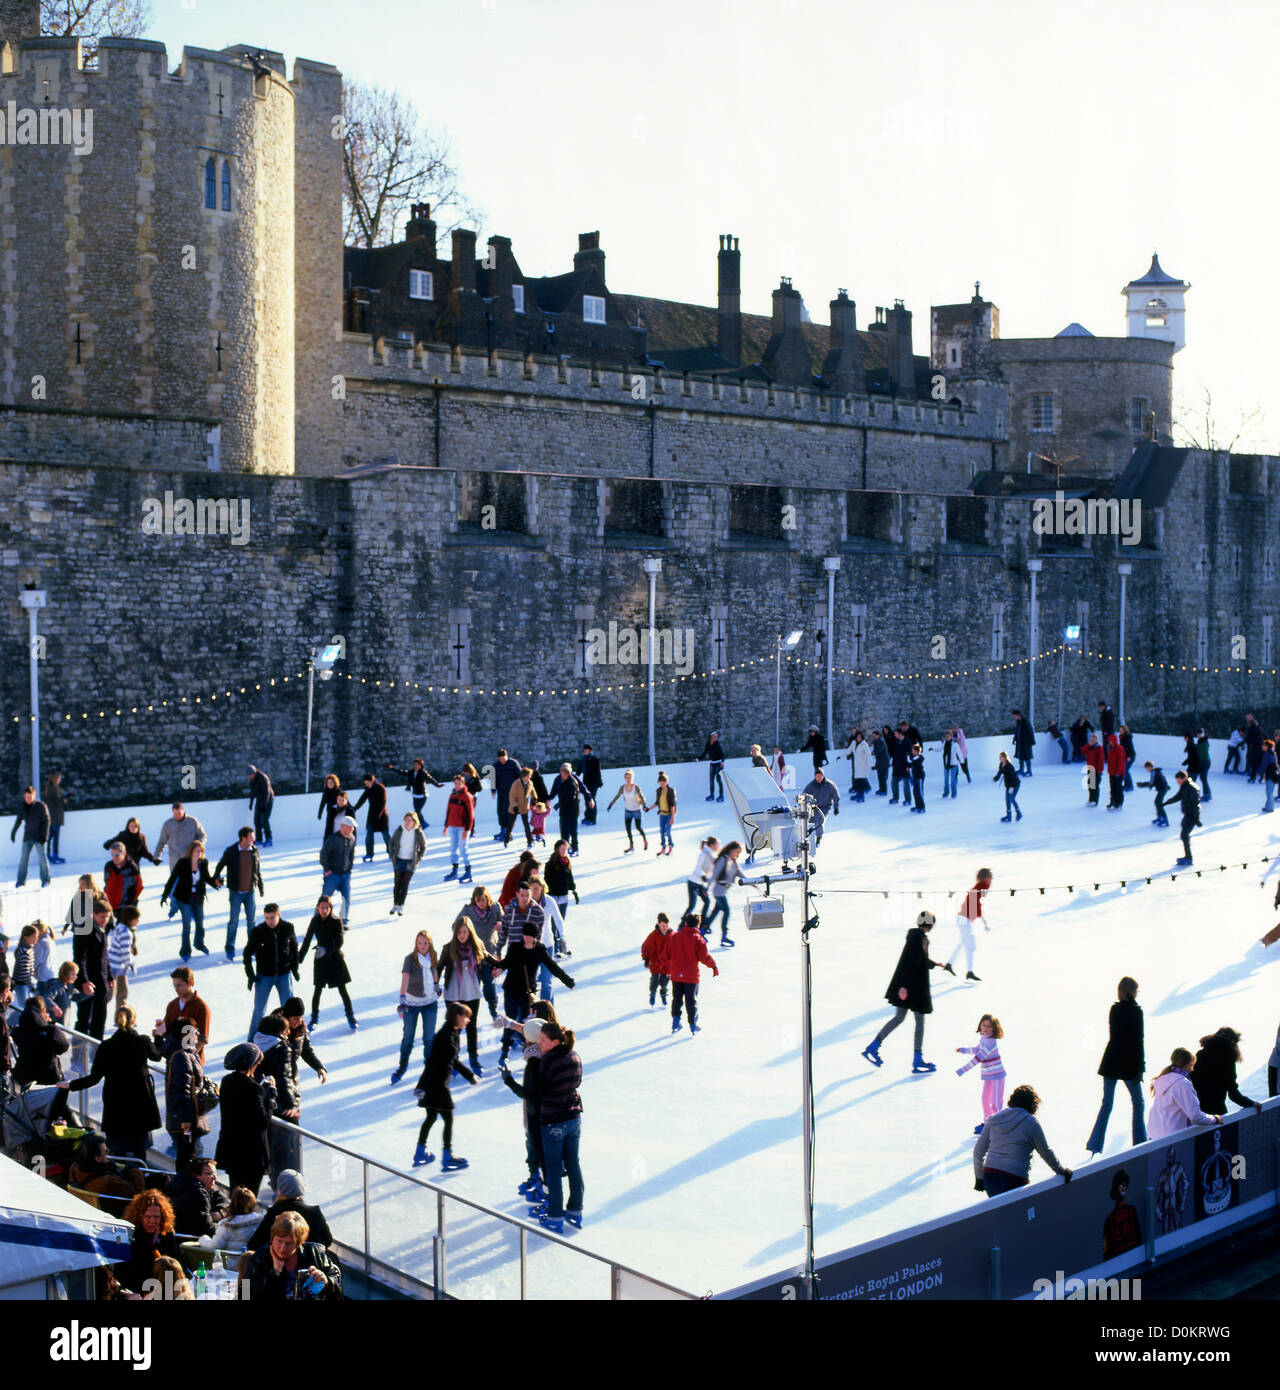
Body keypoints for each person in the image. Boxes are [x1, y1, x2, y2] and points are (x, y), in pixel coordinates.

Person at [59, 1004, 162, 1159]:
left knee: (116, 1152)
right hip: (140, 1106)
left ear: (116, 1021)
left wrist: (70, 1085)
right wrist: (159, 1036)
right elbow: (157, 1056)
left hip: (116, 1106)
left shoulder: (106, 1046)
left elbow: (94, 1078)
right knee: (140, 1153)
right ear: (133, 1021)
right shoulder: (143, 1041)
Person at [862, 910, 942, 1074]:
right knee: (918, 1022)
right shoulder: (919, 938)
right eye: (933, 922)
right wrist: (904, 986)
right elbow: (911, 961)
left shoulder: (917, 937)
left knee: (899, 1018)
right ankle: (917, 1059)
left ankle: (873, 1047)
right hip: (913, 988)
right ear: (929, 923)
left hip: (909, 986)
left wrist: (937, 965)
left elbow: (919, 960)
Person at [254, 1001, 327, 1181]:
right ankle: (282, 1178)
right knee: (284, 1138)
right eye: (295, 1018)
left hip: (289, 1087)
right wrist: (291, 1104)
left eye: (301, 1018)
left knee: (288, 1138)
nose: (299, 1021)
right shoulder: (274, 1031)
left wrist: (319, 1067)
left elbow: (306, 1049)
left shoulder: (300, 1029)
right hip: (277, 1091)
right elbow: (281, 1077)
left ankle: (288, 1177)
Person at [493, 924, 575, 1064]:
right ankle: (505, 1050)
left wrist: (567, 980)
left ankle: (528, 1048)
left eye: (530, 935)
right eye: (525, 935)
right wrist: (492, 963)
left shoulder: (540, 950)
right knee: (511, 1019)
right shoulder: (515, 948)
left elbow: (552, 966)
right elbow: (505, 963)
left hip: (527, 993)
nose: (527, 938)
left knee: (528, 1022)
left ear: (535, 936)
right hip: (511, 991)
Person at [973, 1085, 1072, 1197]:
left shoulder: (994, 1119)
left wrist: (979, 1178)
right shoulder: (1031, 1122)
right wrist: (1061, 1171)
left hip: (990, 1176)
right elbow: (1045, 1152)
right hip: (1014, 1178)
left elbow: (978, 1152)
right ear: (1033, 1105)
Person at [412, 1003, 478, 1170]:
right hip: (437, 1084)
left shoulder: (452, 1033)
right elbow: (435, 1061)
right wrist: (422, 1085)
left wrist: (469, 1075)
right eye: (466, 1017)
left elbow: (451, 1059)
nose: (468, 1020)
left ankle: (420, 1152)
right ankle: (447, 1157)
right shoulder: (446, 1035)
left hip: (435, 1083)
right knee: (448, 1119)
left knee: (431, 1117)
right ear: (457, 1017)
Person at [1085, 977, 1146, 1157]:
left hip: (1111, 1061)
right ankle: (1140, 1142)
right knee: (1138, 1103)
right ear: (1132, 991)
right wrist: (1140, 1067)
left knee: (1107, 1104)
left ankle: (1095, 1145)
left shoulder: (1115, 1009)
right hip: (1128, 1063)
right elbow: (1137, 1041)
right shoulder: (1136, 1012)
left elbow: (1115, 1036)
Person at [536, 1020, 584, 1234]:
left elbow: (542, 1090)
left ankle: (555, 1217)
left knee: (554, 1169)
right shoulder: (574, 1056)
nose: (539, 1043)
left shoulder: (548, 1060)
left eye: (543, 1040)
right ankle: (575, 1211)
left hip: (553, 1120)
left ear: (555, 1042)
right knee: (573, 1165)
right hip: (573, 1117)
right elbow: (577, 1083)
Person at [216, 1042, 276, 1198]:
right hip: (251, 1154)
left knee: (235, 1193)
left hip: (232, 1149)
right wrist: (269, 1098)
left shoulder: (227, 1081)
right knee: (249, 1198)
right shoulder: (252, 1088)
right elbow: (262, 1121)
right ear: (252, 1064)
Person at [242, 1211, 341, 1300]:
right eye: (279, 1241)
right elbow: (244, 1294)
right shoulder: (258, 1258)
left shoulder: (315, 1254)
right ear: (272, 1238)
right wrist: (273, 1273)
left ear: (299, 1243)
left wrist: (326, 1281)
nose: (282, 1248)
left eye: (289, 1243)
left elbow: (336, 1277)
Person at [299, 895, 357, 1031]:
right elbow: (307, 940)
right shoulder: (314, 921)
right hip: (321, 961)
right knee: (317, 990)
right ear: (317, 908)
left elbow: (340, 942)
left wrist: (326, 950)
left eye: (327, 908)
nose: (324, 910)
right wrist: (299, 959)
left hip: (335, 960)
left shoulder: (336, 921)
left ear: (330, 908)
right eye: (322, 908)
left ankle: (351, 1017)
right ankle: (314, 1018)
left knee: (343, 990)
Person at [441, 916, 490, 1073]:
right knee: (454, 1029)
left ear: (470, 932)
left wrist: (500, 966)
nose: (462, 935)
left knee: (471, 1027)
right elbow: (438, 967)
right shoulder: (448, 948)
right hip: (453, 994)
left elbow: (490, 961)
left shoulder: (477, 947)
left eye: (464, 932)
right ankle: (454, 1061)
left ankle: (474, 1059)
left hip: (472, 993)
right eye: (459, 932)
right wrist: (434, 985)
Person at [243, 903, 300, 1039]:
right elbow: (247, 954)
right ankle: (252, 1040)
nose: (269, 921)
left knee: (289, 1010)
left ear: (278, 916)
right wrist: (250, 975)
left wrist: (295, 968)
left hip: (284, 975)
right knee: (259, 1011)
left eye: (272, 918)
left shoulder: (287, 928)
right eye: (267, 918)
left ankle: (291, 1037)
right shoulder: (258, 931)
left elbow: (294, 949)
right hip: (264, 976)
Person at [113, 1191, 185, 1297]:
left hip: (166, 1286)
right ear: (139, 1216)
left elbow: (177, 1260)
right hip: (138, 1289)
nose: (152, 1221)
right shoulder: (129, 1235)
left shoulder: (167, 1232)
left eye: (156, 1217)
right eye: (147, 1216)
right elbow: (124, 1273)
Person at [392, 929, 440, 1084]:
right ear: (416, 944)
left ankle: (430, 1069)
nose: (422, 946)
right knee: (408, 1037)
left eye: (425, 943)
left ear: (430, 944)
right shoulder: (410, 959)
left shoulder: (433, 956)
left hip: (430, 1002)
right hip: (412, 1003)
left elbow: (434, 972)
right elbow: (405, 979)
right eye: (420, 943)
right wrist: (402, 999)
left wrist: (436, 985)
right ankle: (402, 1067)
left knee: (429, 1038)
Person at [659, 912, 718, 1034]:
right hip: (691, 977)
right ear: (698, 925)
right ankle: (693, 1025)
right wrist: (714, 966)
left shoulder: (674, 937)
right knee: (691, 1000)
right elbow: (704, 957)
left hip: (676, 975)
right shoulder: (698, 939)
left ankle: (675, 1022)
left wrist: (659, 961)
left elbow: (665, 954)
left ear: (685, 923)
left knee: (677, 999)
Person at [246, 1170, 334, 1250]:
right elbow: (327, 1241)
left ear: (279, 1190)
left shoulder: (274, 1213)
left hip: (281, 1265)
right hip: (310, 1265)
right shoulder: (314, 1213)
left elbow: (254, 1244)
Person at [212, 826, 265, 961]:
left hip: (250, 892)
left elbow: (257, 871)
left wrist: (260, 887)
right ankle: (230, 949)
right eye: (251, 837)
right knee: (233, 922)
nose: (254, 839)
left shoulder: (254, 851)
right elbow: (220, 865)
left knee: (251, 923)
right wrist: (216, 877)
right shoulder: (231, 851)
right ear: (243, 838)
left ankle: (253, 948)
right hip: (235, 892)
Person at [160, 840, 219, 959]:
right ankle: (185, 951)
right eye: (197, 851)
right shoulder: (183, 862)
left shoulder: (203, 863)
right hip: (184, 899)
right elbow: (172, 879)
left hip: (197, 898)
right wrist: (165, 896)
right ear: (191, 851)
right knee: (187, 926)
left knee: (200, 924)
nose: (200, 853)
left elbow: (207, 878)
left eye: (201, 851)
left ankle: (199, 944)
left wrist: (216, 883)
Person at [164, 1019, 210, 1170]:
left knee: (190, 1157)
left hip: (189, 1117)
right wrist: (186, 1120)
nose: (198, 1034)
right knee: (188, 1160)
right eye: (194, 1031)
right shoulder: (182, 1057)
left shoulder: (188, 1054)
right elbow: (182, 1091)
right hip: (186, 1121)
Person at [1147, 1048, 1221, 1139]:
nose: (1192, 1070)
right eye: (1192, 1065)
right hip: (1173, 1137)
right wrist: (1215, 1119)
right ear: (1189, 1064)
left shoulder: (1161, 1079)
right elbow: (1195, 1116)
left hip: (1154, 1134)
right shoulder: (1182, 1084)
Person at [1191, 1027, 1262, 1119]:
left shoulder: (1200, 1055)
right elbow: (1233, 1094)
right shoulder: (1227, 1060)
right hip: (1215, 1112)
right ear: (1233, 1043)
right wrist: (1252, 1103)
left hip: (1194, 1112)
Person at [456, 886, 503, 1024]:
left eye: (483, 900)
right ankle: (468, 1014)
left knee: (489, 984)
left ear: (488, 898)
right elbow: (455, 925)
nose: (481, 903)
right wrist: (465, 934)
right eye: (478, 900)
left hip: (490, 953)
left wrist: (501, 924)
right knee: (472, 987)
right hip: (473, 955)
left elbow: (505, 925)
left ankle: (493, 1010)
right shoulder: (468, 910)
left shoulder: (495, 908)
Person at [956, 1014, 1006, 1136]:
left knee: (996, 1103)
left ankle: (1000, 1126)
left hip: (998, 1076)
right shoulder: (984, 1038)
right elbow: (977, 1049)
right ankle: (988, 1123)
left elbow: (978, 1057)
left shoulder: (991, 1042)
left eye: (989, 1027)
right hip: (988, 1075)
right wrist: (963, 1050)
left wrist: (963, 1069)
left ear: (994, 1029)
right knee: (985, 1100)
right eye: (983, 1025)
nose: (985, 1028)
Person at [73, 897, 112, 1040]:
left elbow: (104, 955)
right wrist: (84, 981)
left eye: (107, 917)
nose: (105, 920)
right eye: (102, 917)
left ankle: (96, 1052)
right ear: (93, 914)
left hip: (101, 981)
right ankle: (78, 1056)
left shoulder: (102, 928)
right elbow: (79, 958)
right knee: (83, 1019)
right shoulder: (84, 929)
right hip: (88, 982)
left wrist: (110, 976)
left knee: (100, 1018)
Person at [156, 966, 212, 1063]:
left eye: (179, 986)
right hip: (172, 1060)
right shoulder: (172, 1005)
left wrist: (188, 1056)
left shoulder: (202, 1007)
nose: (176, 989)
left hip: (192, 1063)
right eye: (175, 986)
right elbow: (167, 1029)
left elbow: (202, 1039)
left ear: (190, 983)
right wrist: (159, 1032)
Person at [12, 994, 70, 1088]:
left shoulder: (18, 1031)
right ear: (42, 1011)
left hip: (24, 1075)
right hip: (48, 1076)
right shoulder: (50, 1030)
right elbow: (63, 1047)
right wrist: (49, 1024)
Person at [946, 867, 991, 983]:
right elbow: (974, 904)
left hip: (964, 919)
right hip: (963, 919)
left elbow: (976, 905)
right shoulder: (979, 888)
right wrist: (981, 917)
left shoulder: (981, 888)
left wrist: (981, 919)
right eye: (989, 877)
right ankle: (969, 972)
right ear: (985, 878)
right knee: (970, 946)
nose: (991, 879)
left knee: (964, 943)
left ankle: (949, 964)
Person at [67, 1133, 145, 1200]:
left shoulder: (74, 1168)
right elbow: (137, 1189)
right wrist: (135, 1169)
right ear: (97, 1158)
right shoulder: (107, 1181)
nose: (108, 1154)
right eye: (106, 1151)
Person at [167, 1155, 226, 1240]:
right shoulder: (198, 1194)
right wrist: (225, 1230)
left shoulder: (181, 1183)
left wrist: (221, 1212)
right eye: (209, 1174)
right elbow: (207, 1228)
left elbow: (225, 1200)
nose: (214, 1178)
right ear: (196, 1175)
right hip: (187, 1241)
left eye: (215, 1173)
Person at [703, 841, 744, 947]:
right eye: (736, 852)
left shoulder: (733, 862)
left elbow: (741, 874)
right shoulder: (723, 859)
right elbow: (714, 874)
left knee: (715, 912)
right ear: (731, 849)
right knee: (726, 911)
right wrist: (706, 888)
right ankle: (724, 936)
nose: (737, 855)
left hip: (723, 890)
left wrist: (753, 882)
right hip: (718, 890)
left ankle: (702, 930)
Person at [11, 784, 51, 888]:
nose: (27, 799)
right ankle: (20, 881)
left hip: (39, 837)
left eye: (30, 797)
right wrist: (13, 832)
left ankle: (46, 880)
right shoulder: (22, 806)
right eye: (26, 797)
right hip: (28, 836)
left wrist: (45, 836)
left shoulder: (41, 806)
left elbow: (47, 821)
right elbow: (19, 820)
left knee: (43, 858)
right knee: (23, 859)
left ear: (34, 796)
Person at [319, 815, 357, 922]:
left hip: (345, 875)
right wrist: (327, 869)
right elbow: (323, 855)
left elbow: (351, 855)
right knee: (325, 899)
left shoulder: (352, 839)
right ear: (343, 826)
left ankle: (344, 920)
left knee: (346, 898)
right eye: (350, 827)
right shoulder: (333, 839)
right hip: (332, 875)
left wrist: (349, 869)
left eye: (353, 828)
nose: (352, 829)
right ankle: (318, 920)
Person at [386, 757, 443, 829]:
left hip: (423, 795)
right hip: (415, 795)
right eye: (415, 764)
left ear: (421, 766)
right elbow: (402, 772)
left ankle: (423, 824)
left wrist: (438, 785)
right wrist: (392, 768)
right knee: (416, 812)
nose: (415, 766)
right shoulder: (411, 772)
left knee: (417, 811)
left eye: (417, 765)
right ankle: (421, 824)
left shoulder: (423, 772)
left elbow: (430, 779)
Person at [1159, 770, 1201, 865]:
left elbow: (1196, 804)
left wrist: (1196, 818)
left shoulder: (1191, 788)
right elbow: (1178, 797)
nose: (1178, 782)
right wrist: (1165, 803)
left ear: (1184, 778)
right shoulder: (1185, 786)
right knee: (1184, 835)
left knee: (1184, 835)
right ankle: (1188, 857)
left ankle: (1188, 858)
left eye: (1179, 780)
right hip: (1188, 814)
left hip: (1191, 815)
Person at [154, 802, 207, 875]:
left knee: (192, 882)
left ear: (183, 810)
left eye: (179, 813)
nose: (177, 816)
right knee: (176, 883)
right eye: (175, 813)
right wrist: (157, 856)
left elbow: (202, 835)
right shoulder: (168, 824)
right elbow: (162, 841)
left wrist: (196, 847)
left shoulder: (192, 821)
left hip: (191, 859)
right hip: (175, 861)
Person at [605, 769, 650, 854]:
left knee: (638, 827)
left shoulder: (635, 787)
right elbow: (617, 796)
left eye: (630, 777)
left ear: (632, 778)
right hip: (628, 811)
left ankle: (645, 840)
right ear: (624, 778)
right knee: (628, 829)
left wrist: (644, 805)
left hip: (636, 810)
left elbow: (642, 796)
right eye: (627, 778)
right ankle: (631, 845)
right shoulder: (623, 788)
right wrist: (610, 805)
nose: (628, 779)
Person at [389, 810, 427, 910]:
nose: (407, 822)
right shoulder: (399, 830)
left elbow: (423, 847)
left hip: (410, 862)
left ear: (414, 822)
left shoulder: (418, 832)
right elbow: (391, 843)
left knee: (405, 884)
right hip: (399, 860)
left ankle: (401, 903)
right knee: (397, 884)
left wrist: (417, 859)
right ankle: (395, 903)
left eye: (409, 820)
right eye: (405, 820)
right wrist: (392, 855)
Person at [442, 773, 476, 883]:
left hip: (462, 828)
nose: (457, 785)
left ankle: (468, 871)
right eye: (455, 783)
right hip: (453, 826)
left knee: (463, 849)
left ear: (463, 783)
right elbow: (448, 811)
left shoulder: (467, 796)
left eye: (459, 783)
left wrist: (467, 829)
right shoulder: (452, 795)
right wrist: (446, 826)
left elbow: (471, 815)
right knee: (453, 849)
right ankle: (454, 870)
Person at [544, 840, 579, 938]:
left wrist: (573, 890)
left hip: (564, 896)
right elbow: (546, 880)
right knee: (554, 922)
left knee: (561, 921)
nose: (565, 851)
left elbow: (570, 877)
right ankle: (555, 946)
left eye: (566, 849)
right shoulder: (550, 864)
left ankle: (560, 943)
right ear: (557, 849)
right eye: (562, 849)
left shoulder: (567, 862)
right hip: (554, 896)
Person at [354, 771, 392, 862]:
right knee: (369, 835)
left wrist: (378, 816)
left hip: (382, 816)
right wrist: (355, 808)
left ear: (372, 781)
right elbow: (362, 799)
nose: (366, 785)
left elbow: (383, 803)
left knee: (386, 835)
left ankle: (392, 853)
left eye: (367, 783)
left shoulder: (380, 788)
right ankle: (369, 854)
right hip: (371, 815)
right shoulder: (368, 789)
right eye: (365, 783)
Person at [107, 905, 138, 1011]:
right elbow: (125, 952)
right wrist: (131, 964)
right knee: (116, 994)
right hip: (117, 966)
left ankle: (120, 1017)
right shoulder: (126, 933)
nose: (138, 921)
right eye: (136, 919)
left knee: (121, 993)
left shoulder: (119, 927)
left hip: (114, 964)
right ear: (131, 919)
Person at [212, 1187, 262, 1253]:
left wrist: (203, 1239)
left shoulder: (226, 1226)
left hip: (229, 1262)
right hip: (252, 1261)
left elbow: (214, 1246)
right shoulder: (261, 1222)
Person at [641, 912, 673, 1008]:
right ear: (659, 924)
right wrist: (646, 958)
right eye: (663, 925)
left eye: (667, 925)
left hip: (666, 965)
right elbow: (645, 947)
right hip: (655, 963)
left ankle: (663, 994)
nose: (665, 928)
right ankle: (652, 994)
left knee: (664, 982)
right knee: (654, 981)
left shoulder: (672, 935)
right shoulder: (653, 936)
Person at [491, 748, 523, 843]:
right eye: (500, 759)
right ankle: (503, 830)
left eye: (503, 758)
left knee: (510, 812)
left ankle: (508, 832)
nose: (502, 761)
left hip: (512, 793)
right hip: (501, 793)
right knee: (501, 812)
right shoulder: (495, 766)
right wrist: (493, 790)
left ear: (507, 756)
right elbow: (493, 780)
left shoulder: (513, 764)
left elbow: (520, 777)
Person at [803, 767, 841, 844]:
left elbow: (836, 796)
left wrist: (836, 807)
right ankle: (809, 839)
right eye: (817, 776)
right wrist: (805, 806)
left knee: (820, 820)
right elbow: (804, 795)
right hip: (814, 807)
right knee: (811, 822)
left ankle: (819, 837)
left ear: (823, 776)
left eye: (820, 776)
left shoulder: (829, 785)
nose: (819, 778)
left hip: (825, 806)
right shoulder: (811, 785)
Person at [685, 836, 717, 921]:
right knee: (692, 905)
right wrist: (703, 876)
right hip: (693, 883)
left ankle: (702, 922)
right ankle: (682, 925)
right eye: (717, 844)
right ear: (712, 845)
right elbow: (698, 868)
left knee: (707, 901)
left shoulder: (712, 855)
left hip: (701, 884)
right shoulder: (703, 854)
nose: (718, 846)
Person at [43, 770, 69, 864]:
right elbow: (59, 802)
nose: (60, 780)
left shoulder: (47, 789)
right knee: (55, 838)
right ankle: (55, 856)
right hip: (56, 817)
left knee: (49, 837)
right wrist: (65, 799)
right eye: (59, 778)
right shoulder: (55, 789)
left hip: (50, 816)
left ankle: (48, 855)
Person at [247, 764, 275, 846]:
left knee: (264, 820)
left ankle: (269, 839)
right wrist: (251, 803)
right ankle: (259, 839)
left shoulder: (263, 778)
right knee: (256, 820)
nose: (250, 777)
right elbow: (252, 792)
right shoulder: (252, 780)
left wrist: (264, 806)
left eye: (251, 775)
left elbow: (267, 793)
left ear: (254, 772)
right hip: (259, 800)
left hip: (268, 800)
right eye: (249, 775)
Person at [991, 751, 1021, 823]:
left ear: (1005, 757)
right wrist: (995, 779)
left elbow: (1013, 777)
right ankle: (1009, 816)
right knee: (1008, 799)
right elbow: (999, 773)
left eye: (1001, 757)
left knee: (1011, 799)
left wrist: (1011, 787)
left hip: (1014, 785)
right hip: (1009, 785)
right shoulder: (1001, 764)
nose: (1000, 759)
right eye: (999, 757)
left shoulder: (1009, 766)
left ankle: (1018, 813)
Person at [1137, 762, 1169, 828]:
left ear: (1150, 767)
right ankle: (1159, 818)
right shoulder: (1155, 772)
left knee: (1158, 804)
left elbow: (1152, 782)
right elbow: (1154, 782)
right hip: (1162, 789)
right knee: (1157, 803)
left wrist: (1142, 784)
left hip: (1163, 789)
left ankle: (1165, 821)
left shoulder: (1154, 772)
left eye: (1147, 768)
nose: (1146, 770)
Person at [652, 771, 678, 855]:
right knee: (662, 832)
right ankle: (663, 847)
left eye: (663, 783)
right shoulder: (658, 791)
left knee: (667, 831)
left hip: (669, 814)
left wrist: (673, 817)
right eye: (660, 783)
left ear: (666, 782)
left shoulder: (671, 791)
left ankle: (670, 846)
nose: (662, 785)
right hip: (662, 814)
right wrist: (649, 808)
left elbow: (673, 805)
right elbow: (657, 802)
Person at [578, 744, 604, 823]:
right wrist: (574, 777)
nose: (585, 751)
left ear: (590, 750)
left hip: (593, 783)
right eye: (584, 749)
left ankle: (592, 819)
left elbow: (598, 772)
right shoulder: (584, 759)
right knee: (586, 800)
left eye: (587, 749)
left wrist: (599, 782)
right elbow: (579, 770)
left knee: (591, 800)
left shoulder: (595, 759)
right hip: (586, 783)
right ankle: (587, 817)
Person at [316, 773, 344, 839]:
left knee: (337, 832)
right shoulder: (326, 792)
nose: (330, 784)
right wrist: (319, 814)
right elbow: (322, 803)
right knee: (328, 833)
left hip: (338, 814)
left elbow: (345, 802)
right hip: (330, 815)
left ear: (335, 783)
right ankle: (326, 847)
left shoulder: (339, 791)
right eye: (328, 783)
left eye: (331, 782)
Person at [1105, 734, 1126, 810]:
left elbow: (1121, 762)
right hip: (1112, 772)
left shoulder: (1120, 749)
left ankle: (1119, 803)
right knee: (1112, 788)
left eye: (1111, 741)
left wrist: (1119, 772)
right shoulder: (1110, 749)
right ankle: (1112, 802)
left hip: (1118, 773)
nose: (1110, 742)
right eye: (1109, 741)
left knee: (1118, 788)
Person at [1011, 709, 1034, 777]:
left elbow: (1030, 730)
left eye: (1014, 716)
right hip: (1020, 742)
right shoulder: (1018, 721)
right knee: (1020, 756)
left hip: (1026, 742)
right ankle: (1021, 770)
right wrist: (1014, 739)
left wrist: (1031, 741)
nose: (1014, 717)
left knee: (1027, 756)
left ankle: (1029, 771)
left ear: (1018, 715)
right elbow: (1017, 731)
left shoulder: (1025, 721)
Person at [1084, 733, 1104, 806]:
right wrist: (1088, 745)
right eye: (1091, 740)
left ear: (1096, 740)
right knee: (1090, 785)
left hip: (1096, 770)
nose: (1092, 741)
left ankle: (1095, 801)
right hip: (1090, 768)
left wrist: (1100, 770)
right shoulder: (1089, 747)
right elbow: (1083, 751)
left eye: (1093, 740)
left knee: (1095, 786)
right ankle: (1091, 799)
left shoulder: (1099, 748)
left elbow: (1101, 760)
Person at [907, 742, 927, 813]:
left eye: (913, 750)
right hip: (915, 777)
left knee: (919, 792)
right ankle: (917, 806)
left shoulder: (919, 757)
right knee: (915, 792)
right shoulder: (914, 758)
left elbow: (913, 763)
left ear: (916, 751)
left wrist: (909, 764)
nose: (912, 751)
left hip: (919, 777)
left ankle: (922, 807)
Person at [941, 729, 959, 799]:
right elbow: (939, 748)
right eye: (946, 736)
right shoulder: (944, 743)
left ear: (951, 737)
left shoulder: (955, 744)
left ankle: (954, 794)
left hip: (953, 764)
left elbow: (959, 753)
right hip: (946, 764)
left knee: (952, 780)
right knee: (946, 779)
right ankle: (946, 792)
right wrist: (932, 749)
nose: (947, 737)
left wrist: (962, 762)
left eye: (949, 736)